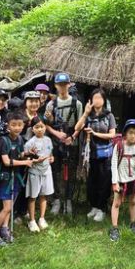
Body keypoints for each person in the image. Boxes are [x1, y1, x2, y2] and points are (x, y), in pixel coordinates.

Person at [0, 111, 37, 246]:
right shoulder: (3, 140)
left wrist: (28, 154)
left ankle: (4, 229)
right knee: (7, 208)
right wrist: (25, 163)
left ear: (23, 125)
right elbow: (6, 161)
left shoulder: (21, 139)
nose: (17, 128)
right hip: (5, 177)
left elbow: (20, 154)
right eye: (13, 125)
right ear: (8, 126)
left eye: (19, 125)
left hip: (15, 176)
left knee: (10, 206)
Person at [74, 88, 116, 222]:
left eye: (100, 98)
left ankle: (102, 209)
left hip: (105, 154)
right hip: (91, 154)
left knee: (104, 182)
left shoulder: (109, 116)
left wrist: (95, 134)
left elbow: (112, 134)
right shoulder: (89, 115)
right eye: (95, 98)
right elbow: (77, 127)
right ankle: (94, 206)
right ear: (91, 100)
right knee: (92, 182)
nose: (97, 100)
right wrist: (85, 113)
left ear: (104, 100)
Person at [44, 72, 83, 215]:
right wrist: (57, 134)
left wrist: (72, 137)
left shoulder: (77, 103)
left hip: (72, 142)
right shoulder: (51, 104)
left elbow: (81, 124)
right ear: (55, 86)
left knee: (71, 172)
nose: (62, 87)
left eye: (64, 84)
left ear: (69, 85)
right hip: (56, 142)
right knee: (56, 171)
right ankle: (56, 200)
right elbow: (46, 125)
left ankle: (68, 200)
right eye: (59, 85)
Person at [109, 119, 135, 241]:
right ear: (125, 133)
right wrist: (114, 182)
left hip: (133, 179)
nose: (132, 135)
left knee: (133, 201)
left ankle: (133, 224)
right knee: (117, 203)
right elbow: (113, 164)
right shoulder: (119, 146)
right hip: (120, 179)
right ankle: (114, 228)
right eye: (130, 132)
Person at [14, 91, 43, 222]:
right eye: (31, 101)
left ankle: (23, 209)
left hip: (33, 154)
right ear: (25, 102)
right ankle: (14, 211)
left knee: (29, 183)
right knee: (18, 182)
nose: (34, 103)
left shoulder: (40, 117)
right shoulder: (19, 116)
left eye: (36, 101)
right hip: (20, 154)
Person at [24, 116, 55, 232]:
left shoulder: (48, 140)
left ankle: (42, 218)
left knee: (44, 195)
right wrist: (34, 159)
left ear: (45, 128)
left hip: (46, 170)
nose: (40, 129)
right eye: (37, 127)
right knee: (33, 196)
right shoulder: (30, 143)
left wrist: (52, 158)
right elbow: (26, 157)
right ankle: (31, 220)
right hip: (35, 171)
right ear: (32, 129)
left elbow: (50, 154)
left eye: (42, 127)